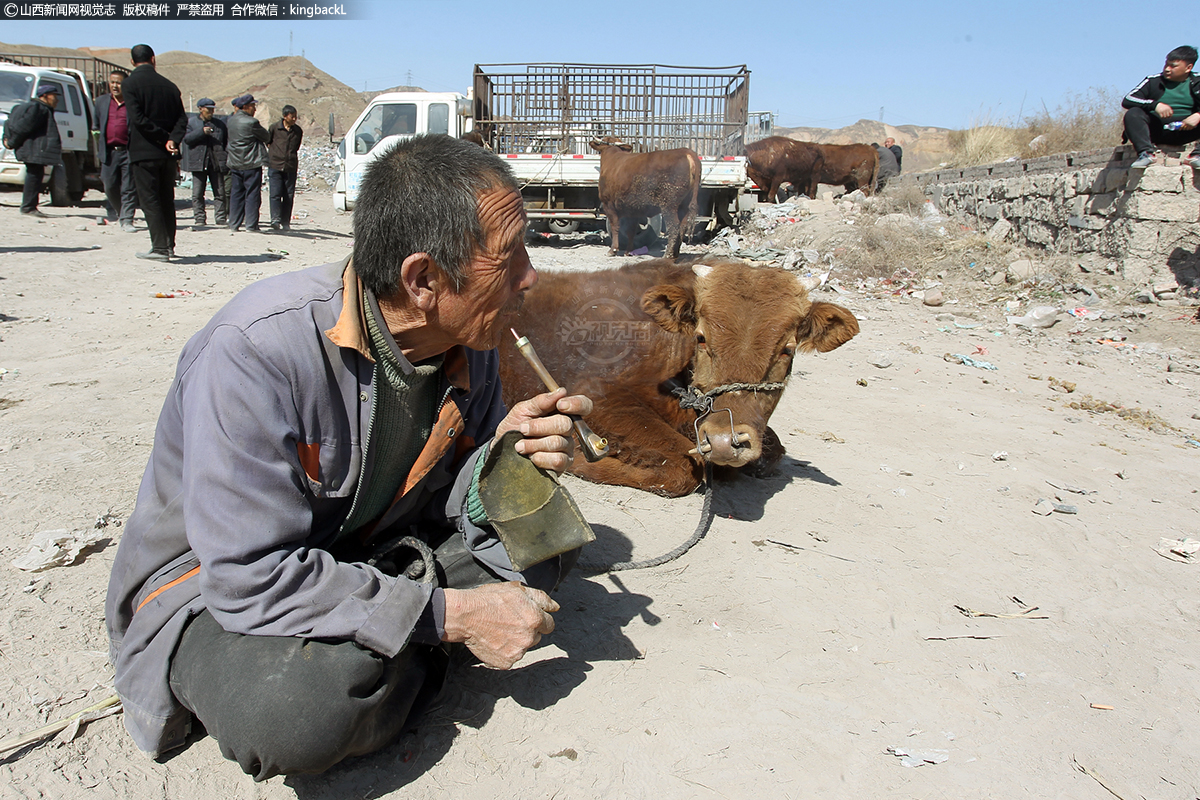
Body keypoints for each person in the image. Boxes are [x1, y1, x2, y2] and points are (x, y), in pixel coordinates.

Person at [105, 133, 593, 780]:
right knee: (298, 714)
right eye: (510, 257)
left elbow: (449, 491)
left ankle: (391, 638)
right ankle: (411, 642)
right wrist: (455, 614)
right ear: (423, 278)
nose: (530, 276)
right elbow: (250, 576)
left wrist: (502, 458)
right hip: (217, 590)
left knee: (544, 534)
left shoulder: (467, 338)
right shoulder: (255, 353)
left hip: (365, 549)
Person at [121, 44, 187, 261]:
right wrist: (172, 139)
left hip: (144, 151)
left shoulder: (130, 84)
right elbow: (181, 120)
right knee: (167, 198)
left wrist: (161, 137)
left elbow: (138, 120)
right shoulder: (170, 86)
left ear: (132, 61)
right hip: (167, 154)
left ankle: (159, 248)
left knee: (150, 200)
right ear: (153, 59)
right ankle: (169, 245)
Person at [1122, 45, 1200, 169]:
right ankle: (1146, 153)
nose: (1167, 69)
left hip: (1186, 130)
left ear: (1188, 68)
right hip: (1157, 129)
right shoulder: (1153, 81)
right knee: (1133, 113)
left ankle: (1197, 156)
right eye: (1166, 65)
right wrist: (1155, 105)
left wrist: (1198, 116)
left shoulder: (1198, 82)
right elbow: (1128, 99)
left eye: (1173, 66)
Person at [2, 83, 62, 217]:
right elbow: (23, 127)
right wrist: (11, 142)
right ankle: (28, 207)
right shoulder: (37, 108)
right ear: (45, 96)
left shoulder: (41, 108)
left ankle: (30, 206)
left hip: (34, 149)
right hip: (33, 150)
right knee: (34, 176)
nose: (57, 100)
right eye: (54, 96)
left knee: (36, 175)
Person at [95, 72, 139, 232]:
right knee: (109, 185)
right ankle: (120, 212)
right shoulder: (101, 102)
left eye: (118, 83)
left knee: (128, 187)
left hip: (128, 151)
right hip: (109, 152)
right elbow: (96, 125)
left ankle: (127, 219)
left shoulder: (133, 102)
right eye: (112, 82)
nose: (115, 86)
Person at [225, 93, 270, 232]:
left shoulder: (231, 121)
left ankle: (234, 223)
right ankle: (251, 225)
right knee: (252, 194)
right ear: (245, 107)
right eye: (252, 106)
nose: (254, 109)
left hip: (235, 162)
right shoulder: (251, 123)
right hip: (251, 162)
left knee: (236, 194)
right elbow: (266, 136)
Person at [181, 98, 228, 228]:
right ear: (201, 109)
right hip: (199, 163)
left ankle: (220, 218)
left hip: (216, 163)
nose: (211, 112)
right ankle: (200, 218)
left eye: (212, 109)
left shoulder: (220, 124)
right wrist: (201, 132)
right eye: (208, 109)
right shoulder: (192, 123)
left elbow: (225, 142)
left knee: (219, 193)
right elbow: (187, 140)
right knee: (197, 193)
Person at [267, 104, 303, 231]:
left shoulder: (297, 131)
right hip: (275, 165)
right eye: (292, 117)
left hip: (290, 166)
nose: (294, 119)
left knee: (288, 195)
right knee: (275, 194)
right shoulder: (274, 128)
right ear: (284, 116)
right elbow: (268, 142)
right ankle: (275, 220)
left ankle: (285, 221)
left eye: (295, 117)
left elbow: (296, 146)